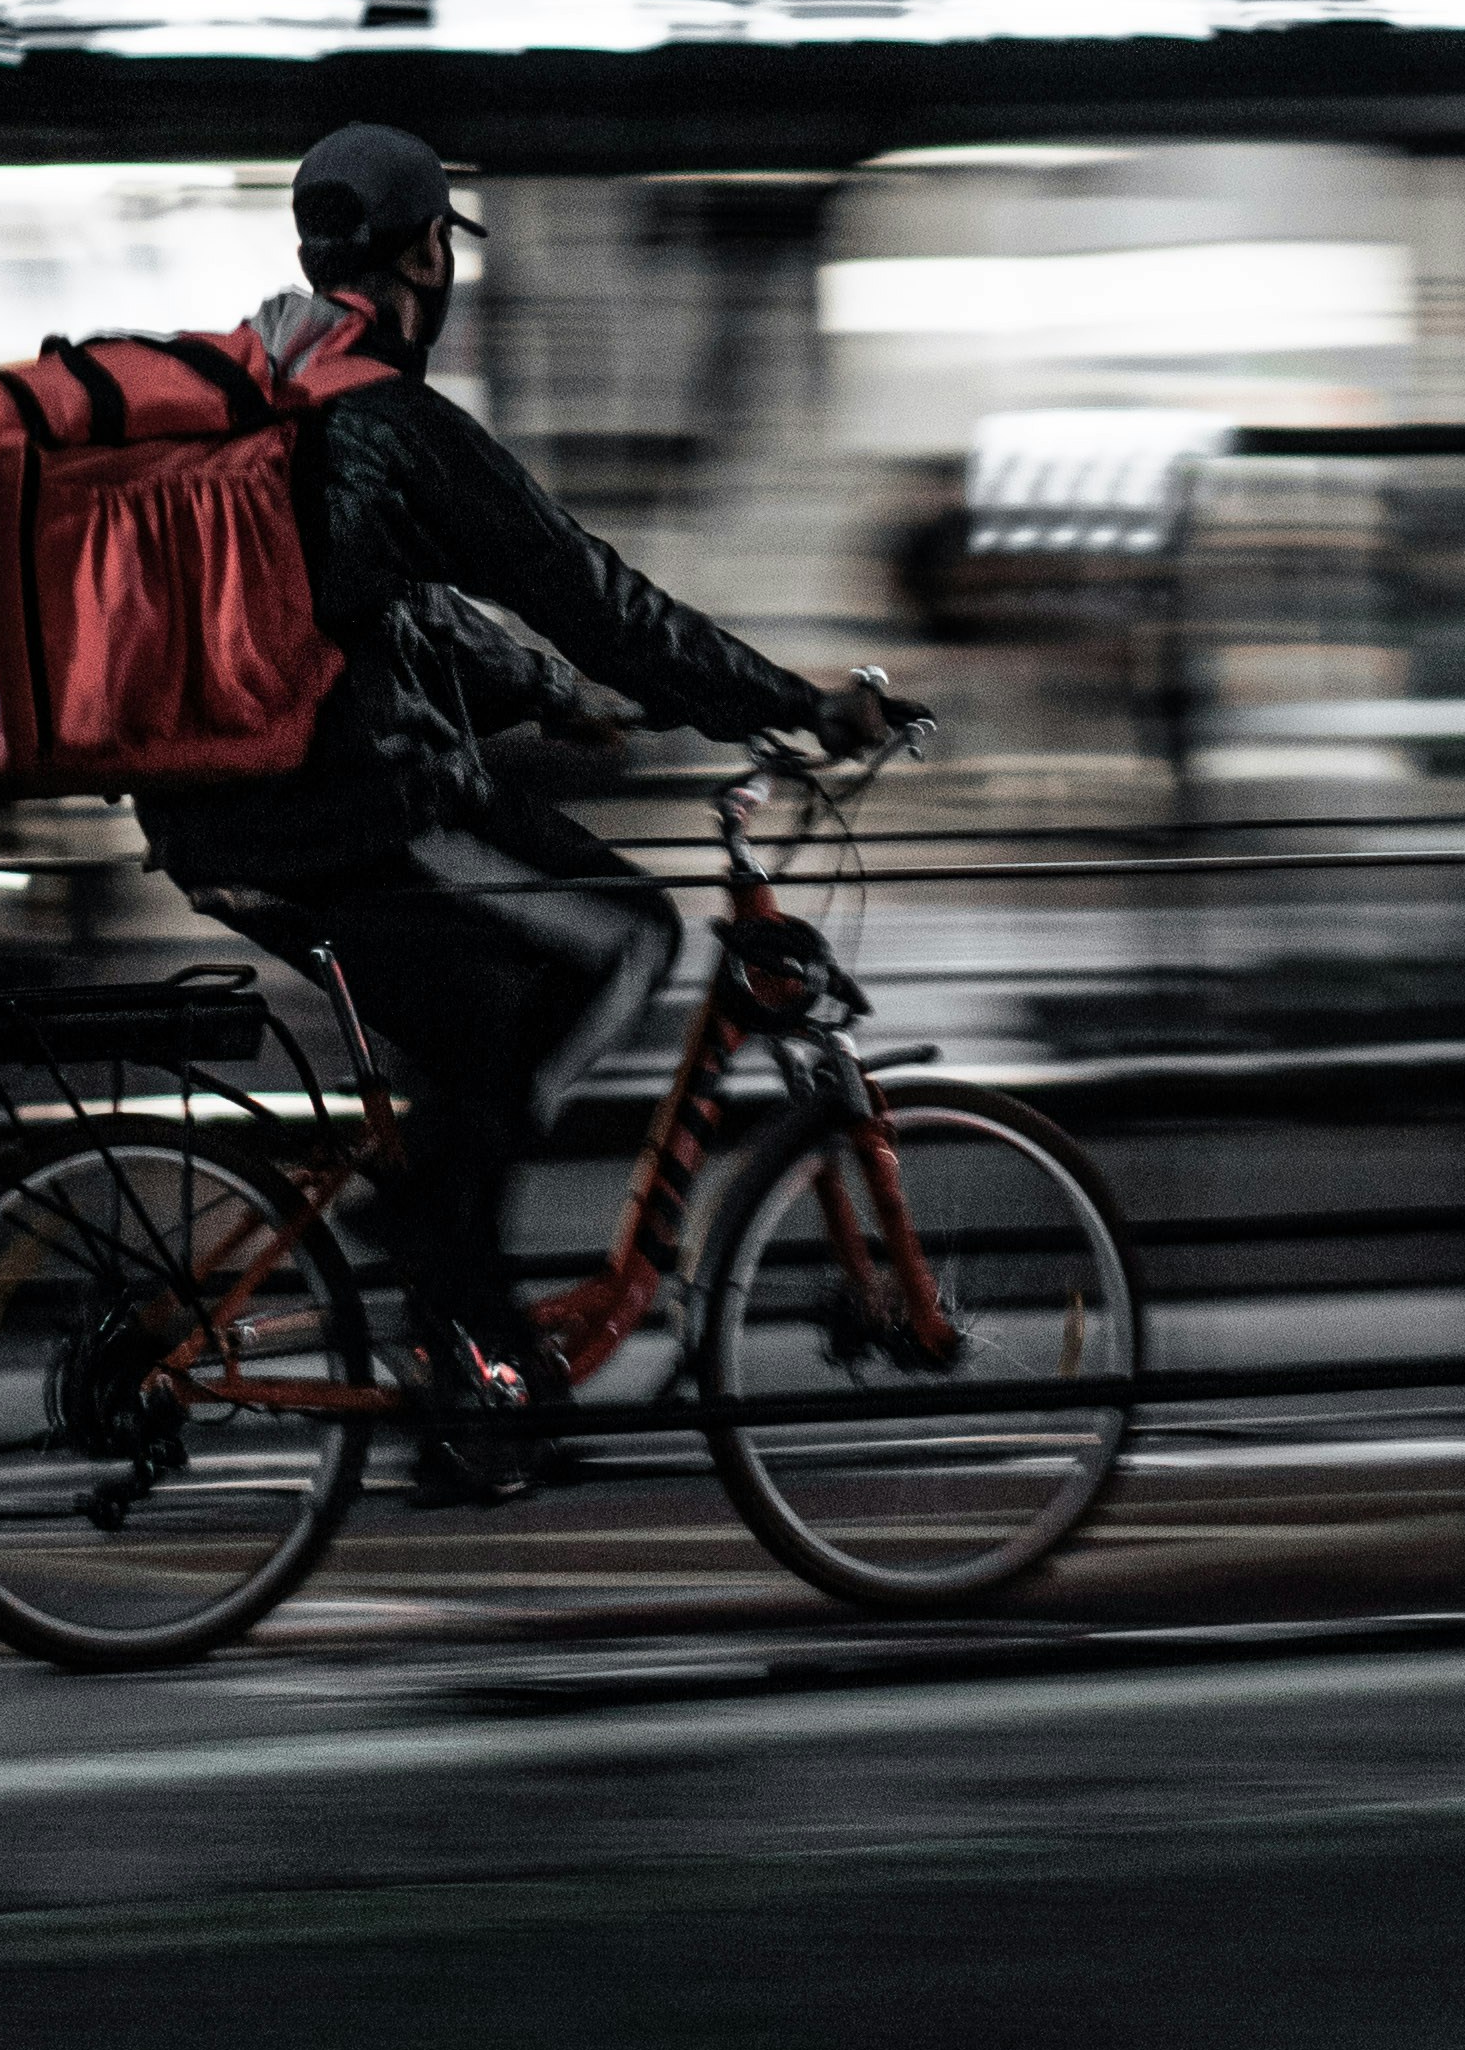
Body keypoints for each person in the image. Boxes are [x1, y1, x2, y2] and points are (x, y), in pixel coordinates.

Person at [137, 120, 901, 1487]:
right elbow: (587, 588)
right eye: (447, 251)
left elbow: (395, 614)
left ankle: (457, 1333)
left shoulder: (270, 398)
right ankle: (464, 1320)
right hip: (349, 810)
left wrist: (551, 698)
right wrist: (784, 700)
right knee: (623, 932)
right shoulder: (393, 419)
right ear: (428, 252)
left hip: (220, 819)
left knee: (477, 1035)